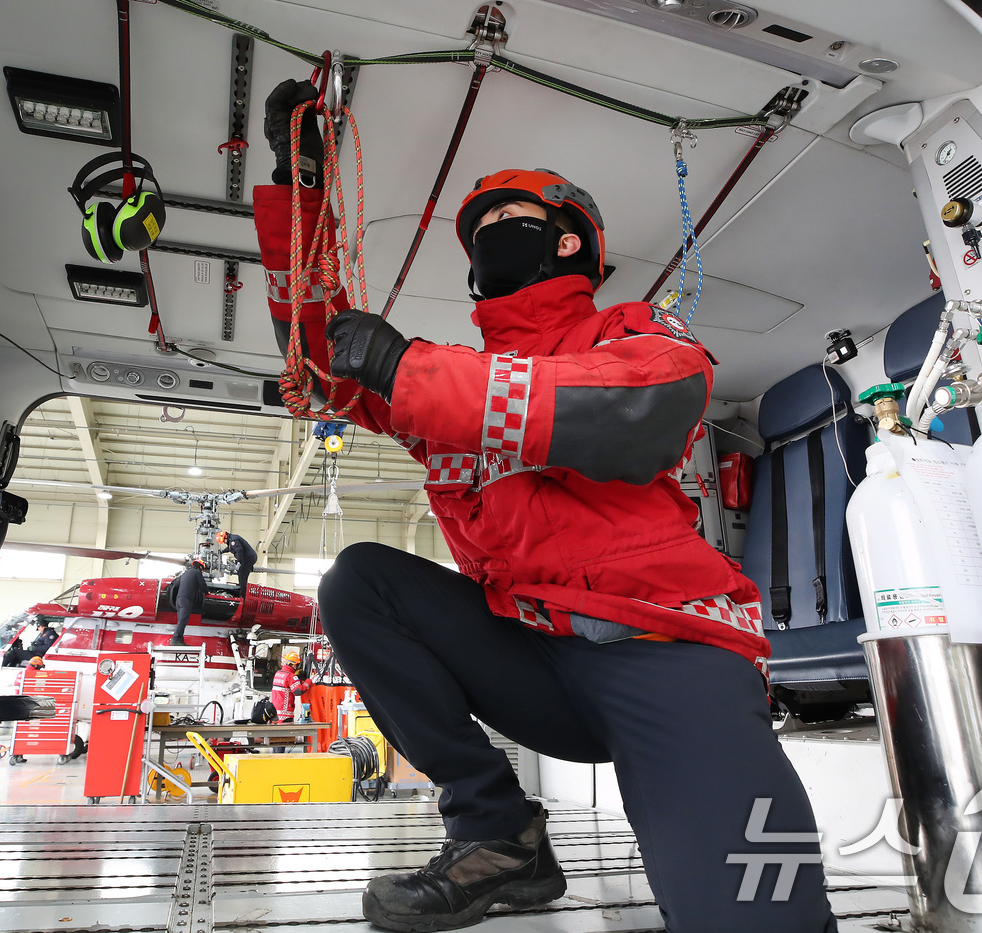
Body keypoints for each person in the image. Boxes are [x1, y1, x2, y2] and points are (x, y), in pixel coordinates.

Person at [254, 80, 836, 933]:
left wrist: (410, 371)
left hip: (670, 650)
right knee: (359, 583)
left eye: (505, 224)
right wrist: (299, 185)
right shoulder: (444, 382)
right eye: (477, 234)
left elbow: (638, 413)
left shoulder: (631, 333)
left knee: (756, 918)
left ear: (569, 242)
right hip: (535, 659)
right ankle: (499, 833)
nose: (488, 239)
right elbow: (317, 354)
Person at [167, 557, 208, 647]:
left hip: (179, 600)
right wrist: (207, 592)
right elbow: (202, 585)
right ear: (200, 567)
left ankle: (180, 640)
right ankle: (176, 639)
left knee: (181, 620)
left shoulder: (184, 574)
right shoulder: (197, 572)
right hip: (187, 600)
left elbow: (174, 584)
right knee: (183, 620)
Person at [216, 530, 257, 598]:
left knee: (242, 574)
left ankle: (243, 595)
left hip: (248, 559)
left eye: (224, 541)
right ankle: (241, 587)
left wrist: (239, 562)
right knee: (241, 573)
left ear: (226, 537)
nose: (224, 542)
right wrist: (222, 551)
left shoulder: (233, 540)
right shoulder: (232, 539)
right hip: (249, 558)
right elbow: (230, 548)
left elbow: (239, 550)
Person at [269, 649, 300, 720]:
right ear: (294, 665)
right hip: (285, 714)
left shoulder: (278, 673)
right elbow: (298, 691)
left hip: (275, 712)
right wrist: (308, 682)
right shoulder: (291, 676)